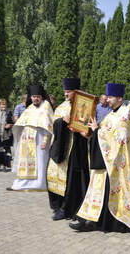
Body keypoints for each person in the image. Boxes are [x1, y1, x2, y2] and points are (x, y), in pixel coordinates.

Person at [70, 83, 130, 232]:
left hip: (117, 163)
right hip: (105, 159)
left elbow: (121, 138)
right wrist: (91, 132)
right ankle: (87, 220)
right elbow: (104, 131)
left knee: (107, 192)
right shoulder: (112, 114)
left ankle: (101, 222)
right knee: (96, 190)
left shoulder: (124, 115)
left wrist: (98, 131)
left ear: (119, 98)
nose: (107, 99)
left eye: (110, 97)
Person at [47, 78, 90, 221]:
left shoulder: (85, 105)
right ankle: (62, 207)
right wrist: (62, 121)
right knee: (64, 179)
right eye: (64, 91)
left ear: (76, 92)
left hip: (79, 149)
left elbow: (88, 128)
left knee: (76, 180)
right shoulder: (61, 108)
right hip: (64, 149)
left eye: (68, 92)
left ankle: (74, 209)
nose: (65, 94)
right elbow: (54, 125)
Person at [8, 85, 53, 191]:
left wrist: (46, 140)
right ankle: (24, 183)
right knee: (26, 162)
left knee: (40, 160)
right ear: (31, 97)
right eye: (33, 97)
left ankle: (40, 184)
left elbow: (49, 125)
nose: (35, 99)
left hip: (40, 138)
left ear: (41, 97)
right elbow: (21, 122)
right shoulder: (29, 107)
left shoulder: (46, 106)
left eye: (37, 96)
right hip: (27, 140)